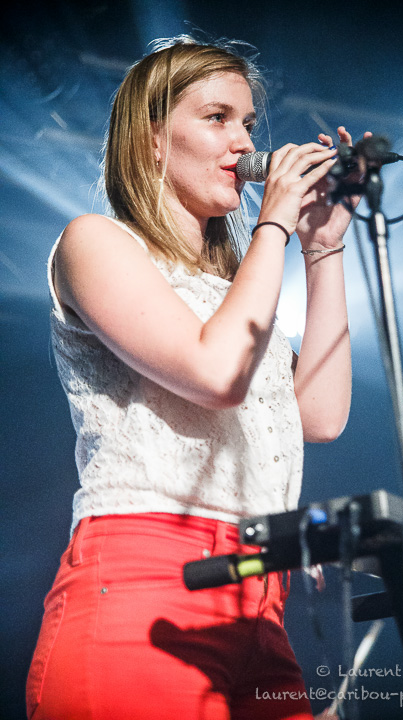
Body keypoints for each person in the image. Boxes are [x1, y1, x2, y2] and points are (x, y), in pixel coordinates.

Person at [26, 36, 368, 720]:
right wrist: (273, 223)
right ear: (151, 139)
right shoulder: (95, 242)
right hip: (147, 579)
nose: (243, 142)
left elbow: (321, 416)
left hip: (260, 597)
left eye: (248, 123)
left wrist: (322, 248)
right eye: (217, 118)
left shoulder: (233, 291)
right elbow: (216, 373)